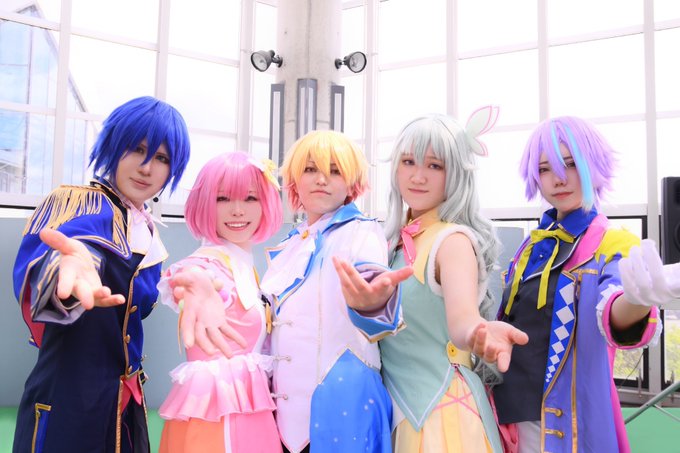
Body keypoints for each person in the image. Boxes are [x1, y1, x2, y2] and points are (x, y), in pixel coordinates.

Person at [334, 109, 528, 453]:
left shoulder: (452, 241)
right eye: (408, 162)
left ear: (455, 175)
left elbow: (462, 319)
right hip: (398, 414)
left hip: (442, 419)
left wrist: (478, 333)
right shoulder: (392, 241)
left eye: (434, 165)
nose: (418, 176)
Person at [11, 96, 192, 453]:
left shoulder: (146, 228)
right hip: (68, 401)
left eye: (161, 158)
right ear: (113, 145)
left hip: (123, 403)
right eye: (137, 149)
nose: (146, 168)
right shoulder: (79, 203)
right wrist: (65, 271)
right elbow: (68, 249)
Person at [492, 116, 677, 453]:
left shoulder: (612, 243)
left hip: (561, 423)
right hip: (504, 414)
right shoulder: (532, 245)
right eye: (545, 169)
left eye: (571, 164)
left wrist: (637, 301)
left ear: (594, 165)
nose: (558, 178)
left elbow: (613, 308)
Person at [260, 130, 411, 453]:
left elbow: (373, 290)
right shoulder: (289, 245)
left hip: (344, 404)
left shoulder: (362, 232)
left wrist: (371, 303)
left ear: (351, 183)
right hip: (283, 418)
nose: (321, 179)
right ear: (295, 180)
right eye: (310, 169)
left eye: (335, 171)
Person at [156, 151, 283, 453]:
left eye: (250, 198)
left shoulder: (244, 264)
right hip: (218, 413)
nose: (237, 210)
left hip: (244, 408)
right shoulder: (207, 263)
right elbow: (189, 277)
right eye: (223, 199)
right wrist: (194, 283)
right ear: (205, 203)